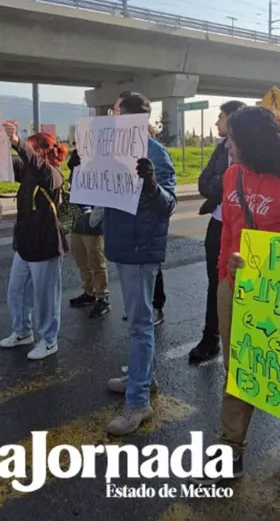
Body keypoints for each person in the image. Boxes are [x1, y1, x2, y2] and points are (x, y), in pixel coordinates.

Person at [195, 106, 280, 489]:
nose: (228, 144)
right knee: (238, 370)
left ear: (255, 141)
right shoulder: (233, 176)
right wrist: (224, 276)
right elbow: (229, 235)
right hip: (235, 290)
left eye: (233, 138)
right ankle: (230, 449)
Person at [103, 91, 176, 436]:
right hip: (121, 244)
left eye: (116, 111)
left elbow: (168, 204)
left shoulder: (156, 154)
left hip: (140, 248)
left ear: (131, 117)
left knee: (140, 323)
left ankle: (137, 401)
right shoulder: (113, 152)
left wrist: (150, 185)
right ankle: (143, 377)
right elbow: (100, 199)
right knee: (137, 320)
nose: (112, 117)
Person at [0, 121, 68, 360]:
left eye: (30, 147)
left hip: (46, 245)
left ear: (41, 151)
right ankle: (22, 332)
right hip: (25, 244)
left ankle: (49, 340)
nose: (26, 151)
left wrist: (18, 143)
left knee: (45, 297)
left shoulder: (53, 175)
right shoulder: (27, 172)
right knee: (16, 291)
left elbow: (38, 167)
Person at [190, 99, 246, 363]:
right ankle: (211, 338)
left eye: (221, 117)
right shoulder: (220, 148)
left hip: (242, 226)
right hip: (218, 223)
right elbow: (204, 182)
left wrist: (220, 182)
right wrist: (222, 183)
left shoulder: (256, 152)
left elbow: (222, 182)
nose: (216, 122)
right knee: (216, 282)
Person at [66, 147, 109, 316]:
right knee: (82, 259)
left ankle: (102, 297)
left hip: (93, 221)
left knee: (96, 260)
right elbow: (73, 187)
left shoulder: (101, 162)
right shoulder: (78, 160)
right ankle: (89, 292)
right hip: (77, 219)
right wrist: (73, 169)